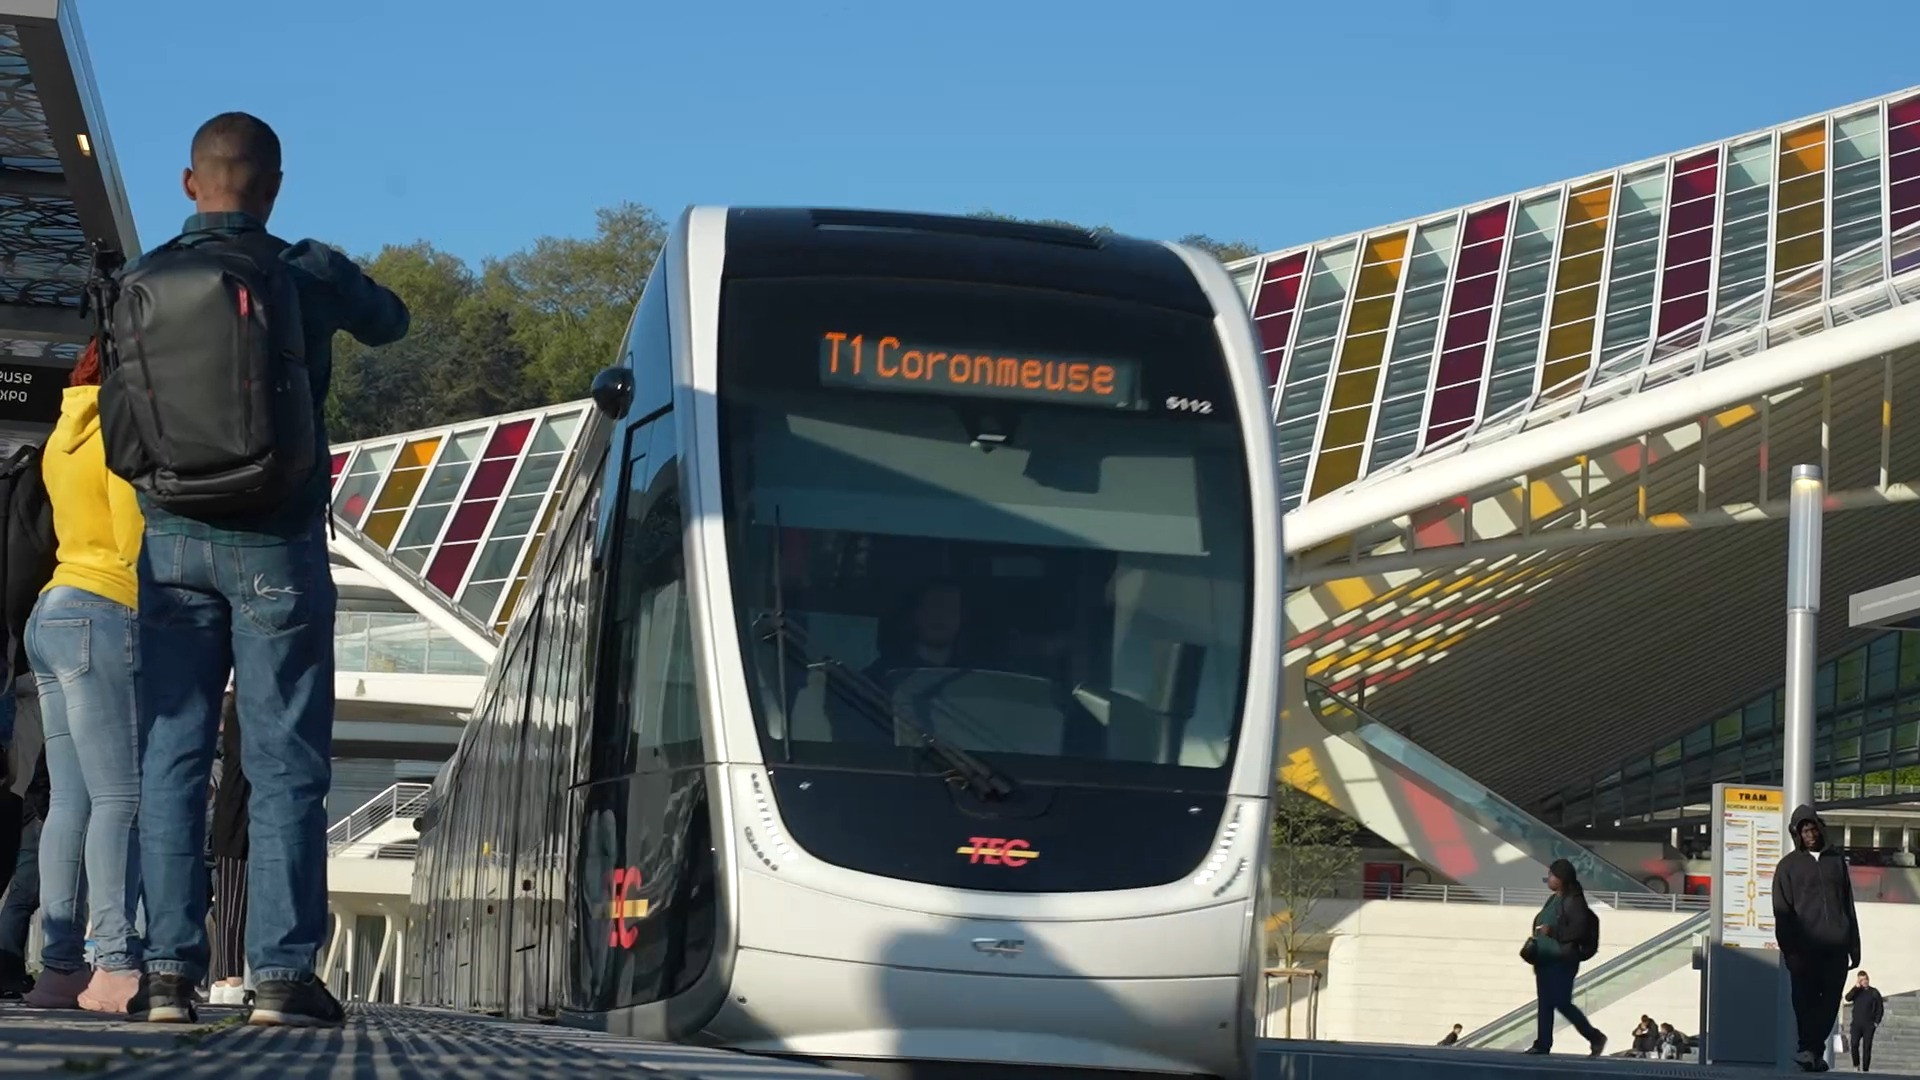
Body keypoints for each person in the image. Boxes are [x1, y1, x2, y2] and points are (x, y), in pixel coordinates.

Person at [126, 111, 409, 1026]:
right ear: (274, 187)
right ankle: (281, 979)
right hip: (277, 541)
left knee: (172, 757)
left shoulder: (144, 278)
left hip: (169, 539)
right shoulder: (305, 271)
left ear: (187, 184)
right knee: (286, 763)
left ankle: (166, 974)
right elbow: (392, 323)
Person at [22, 339, 146, 1012]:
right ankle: (116, 965)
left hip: (53, 610)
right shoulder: (125, 425)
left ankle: (60, 967)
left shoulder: (64, 433)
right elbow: (132, 534)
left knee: (69, 803)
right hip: (105, 608)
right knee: (121, 798)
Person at [1774, 805, 1862, 1072]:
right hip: (1804, 949)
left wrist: (1854, 946)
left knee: (1830, 1002)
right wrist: (1790, 951)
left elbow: (1848, 904)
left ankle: (1810, 1050)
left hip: (1836, 946)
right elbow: (1782, 912)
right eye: (1803, 830)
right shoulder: (1787, 867)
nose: (1809, 833)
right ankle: (1810, 1050)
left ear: (1820, 828)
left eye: (1812, 828)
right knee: (1804, 1001)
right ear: (1796, 834)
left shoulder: (1835, 861)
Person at [1522, 857, 1606, 1057]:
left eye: (1551, 875)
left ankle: (1594, 1036)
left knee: (1561, 1001)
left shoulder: (1574, 901)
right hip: (1545, 960)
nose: (1548, 879)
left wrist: (1553, 932)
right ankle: (1542, 1044)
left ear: (1561, 878)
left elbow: (1578, 930)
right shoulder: (1554, 899)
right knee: (1545, 1004)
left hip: (1563, 960)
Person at [207, 693, 251, 1005]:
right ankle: (234, 977)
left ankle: (226, 976)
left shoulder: (232, 716)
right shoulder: (253, 709)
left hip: (229, 811)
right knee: (236, 900)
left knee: (228, 900)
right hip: (244, 811)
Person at [1845, 971, 1884, 1072]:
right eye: (1861, 980)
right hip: (1856, 1024)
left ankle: (1865, 1069)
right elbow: (1848, 998)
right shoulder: (1857, 991)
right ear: (1858, 981)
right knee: (1854, 1044)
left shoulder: (1874, 992)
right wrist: (1856, 987)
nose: (1864, 981)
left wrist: (1876, 1022)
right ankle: (1856, 1065)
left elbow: (1880, 1008)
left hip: (1869, 1024)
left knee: (1867, 1047)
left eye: (1865, 979)